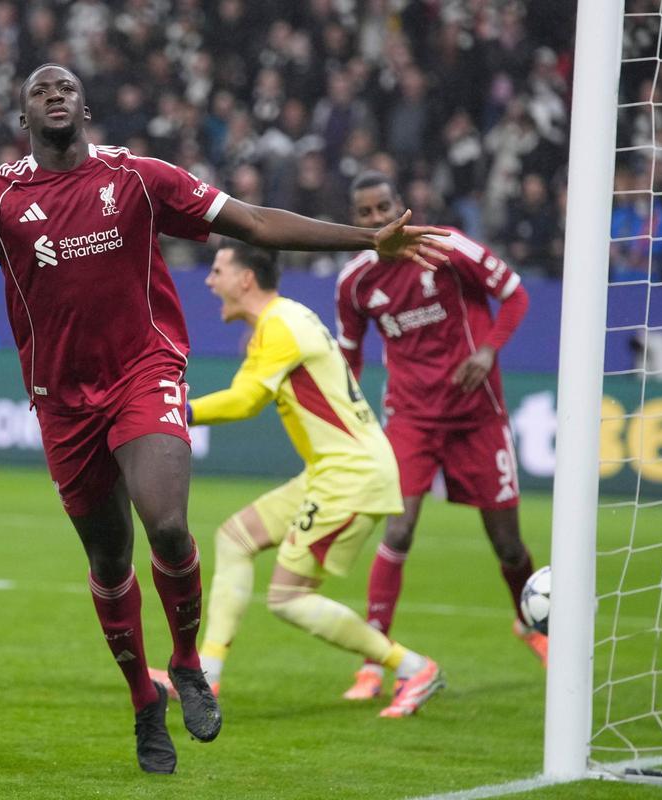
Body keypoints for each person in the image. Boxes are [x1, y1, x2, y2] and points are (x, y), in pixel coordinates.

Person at [0, 65, 452, 774]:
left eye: (68, 86)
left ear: (84, 109)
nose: (56, 92)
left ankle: (187, 661)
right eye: (41, 88)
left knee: (167, 524)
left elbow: (252, 221)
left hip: (144, 373)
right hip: (61, 400)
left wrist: (366, 240)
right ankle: (143, 701)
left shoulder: (138, 177)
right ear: (23, 115)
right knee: (107, 560)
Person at [148, 244, 444, 718]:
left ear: (246, 279)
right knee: (235, 538)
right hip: (332, 471)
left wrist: (177, 413)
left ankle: (411, 666)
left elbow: (245, 401)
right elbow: (250, 391)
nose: (209, 280)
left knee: (288, 597)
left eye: (218, 270)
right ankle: (207, 672)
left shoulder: (280, 325)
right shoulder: (282, 321)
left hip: (351, 476)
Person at [334, 172, 544, 702]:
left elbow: (514, 294)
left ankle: (533, 624)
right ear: (353, 219)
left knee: (507, 541)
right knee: (398, 530)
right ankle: (374, 657)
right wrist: (345, 416)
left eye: (385, 206)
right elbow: (350, 356)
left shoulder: (446, 245)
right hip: (411, 417)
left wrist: (490, 349)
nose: (378, 218)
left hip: (478, 413)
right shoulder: (355, 282)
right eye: (366, 212)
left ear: (402, 206)